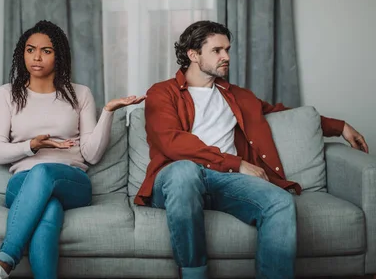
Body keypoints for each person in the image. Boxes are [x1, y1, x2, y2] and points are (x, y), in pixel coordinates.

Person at [135, 20, 369, 279]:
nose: (226, 57)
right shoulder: (162, 93)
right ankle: (194, 274)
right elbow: (171, 141)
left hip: (226, 181)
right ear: (193, 54)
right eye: (217, 50)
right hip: (177, 180)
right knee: (184, 172)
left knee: (279, 201)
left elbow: (284, 113)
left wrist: (340, 127)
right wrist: (236, 163)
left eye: (228, 49)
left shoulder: (238, 96)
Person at [0, 20, 145, 279]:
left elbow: (92, 155)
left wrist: (107, 112)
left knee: (44, 172)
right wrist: (31, 146)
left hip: (73, 182)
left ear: (58, 55)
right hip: (22, 183)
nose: (36, 57)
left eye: (46, 51)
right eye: (30, 49)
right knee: (48, 209)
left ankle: (5, 259)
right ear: (22, 53)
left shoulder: (79, 94)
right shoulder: (7, 94)